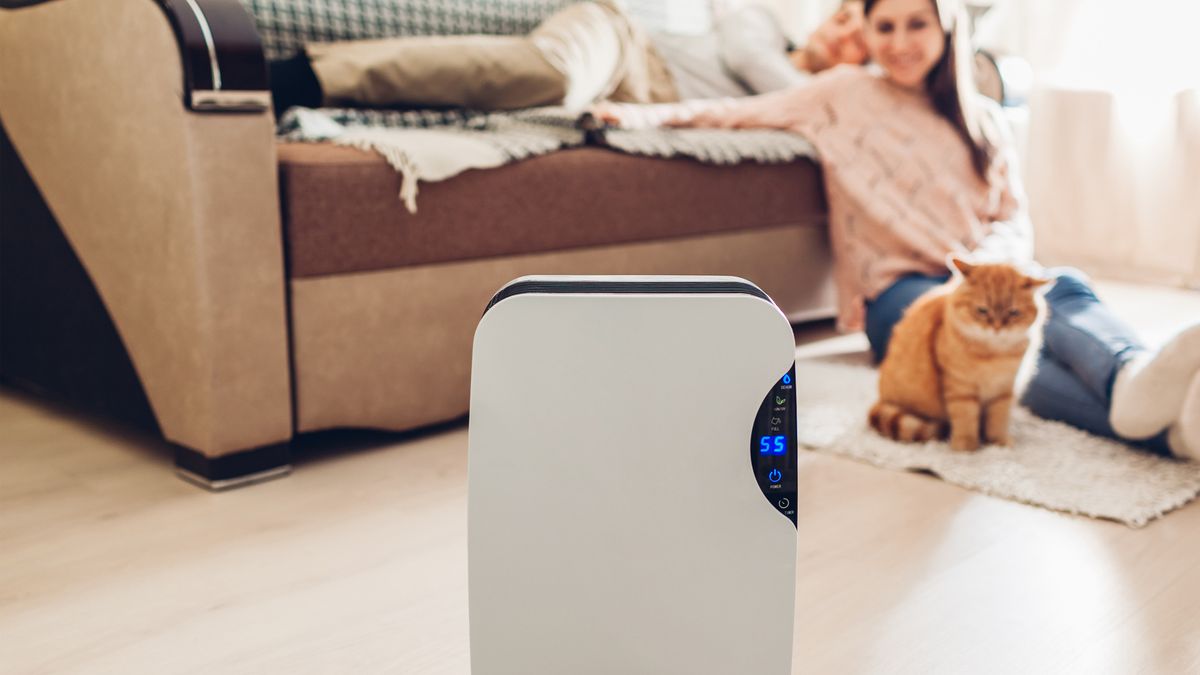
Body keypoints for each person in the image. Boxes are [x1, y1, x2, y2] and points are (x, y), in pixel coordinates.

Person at [597, 0, 1200, 458]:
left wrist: (990, 269)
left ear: (946, 29)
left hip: (981, 274)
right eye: (884, 27)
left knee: (1061, 286)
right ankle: (1147, 408)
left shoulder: (984, 119)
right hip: (903, 296)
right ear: (866, 32)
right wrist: (633, 114)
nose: (901, 42)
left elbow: (1013, 217)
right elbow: (729, 115)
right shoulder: (841, 93)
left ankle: (1144, 392)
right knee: (976, 351)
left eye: (916, 24)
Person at [268, 1, 867, 115]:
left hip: (638, 101)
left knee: (558, 90)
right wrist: (842, 85)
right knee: (554, 75)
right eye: (843, 19)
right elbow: (768, 76)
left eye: (860, 39)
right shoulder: (759, 24)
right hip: (622, 41)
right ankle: (303, 75)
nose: (844, 38)